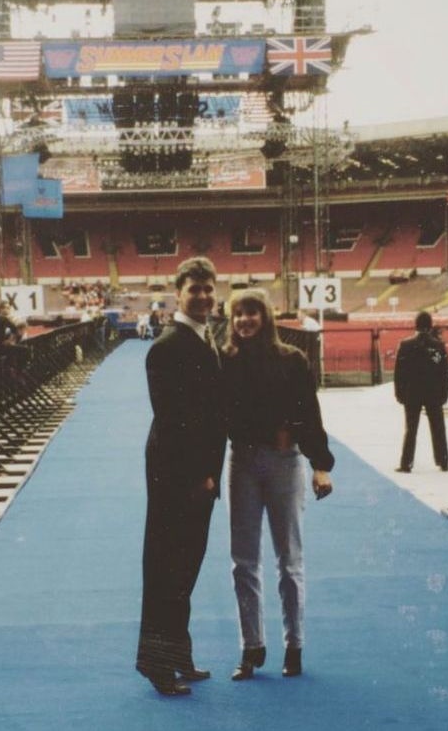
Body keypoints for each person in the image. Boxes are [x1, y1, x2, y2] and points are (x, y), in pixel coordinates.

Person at [221, 288, 334, 681]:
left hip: (285, 463)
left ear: (265, 317)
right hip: (242, 464)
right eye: (238, 314)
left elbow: (310, 414)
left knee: (289, 560)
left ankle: (294, 645)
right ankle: (251, 647)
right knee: (243, 562)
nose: (244, 320)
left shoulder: (292, 359)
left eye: (252, 313)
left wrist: (320, 465)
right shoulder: (226, 361)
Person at [136, 257, 227, 697]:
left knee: (184, 571)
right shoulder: (168, 346)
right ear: (179, 293)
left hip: (198, 477)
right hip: (178, 478)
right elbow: (173, 421)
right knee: (166, 571)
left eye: (209, 288)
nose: (204, 296)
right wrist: (201, 477)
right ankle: (157, 666)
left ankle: (179, 657)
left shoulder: (204, 338)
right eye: (195, 289)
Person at [393, 311, 448, 473]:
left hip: (412, 392)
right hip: (433, 393)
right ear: (430, 325)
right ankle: (443, 461)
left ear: (415, 325)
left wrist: (399, 393)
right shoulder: (439, 346)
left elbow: (399, 373)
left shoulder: (406, 345)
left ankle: (406, 463)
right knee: (438, 427)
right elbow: (444, 373)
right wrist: (444, 394)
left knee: (411, 429)